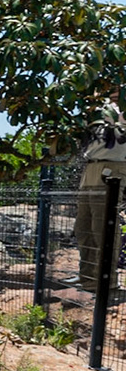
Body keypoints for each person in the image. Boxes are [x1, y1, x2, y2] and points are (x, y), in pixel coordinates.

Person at [75, 94, 125, 292]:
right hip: (91, 168)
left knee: (103, 226)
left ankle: (107, 280)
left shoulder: (120, 108)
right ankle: (87, 278)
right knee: (83, 227)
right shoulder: (93, 108)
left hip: (112, 168)